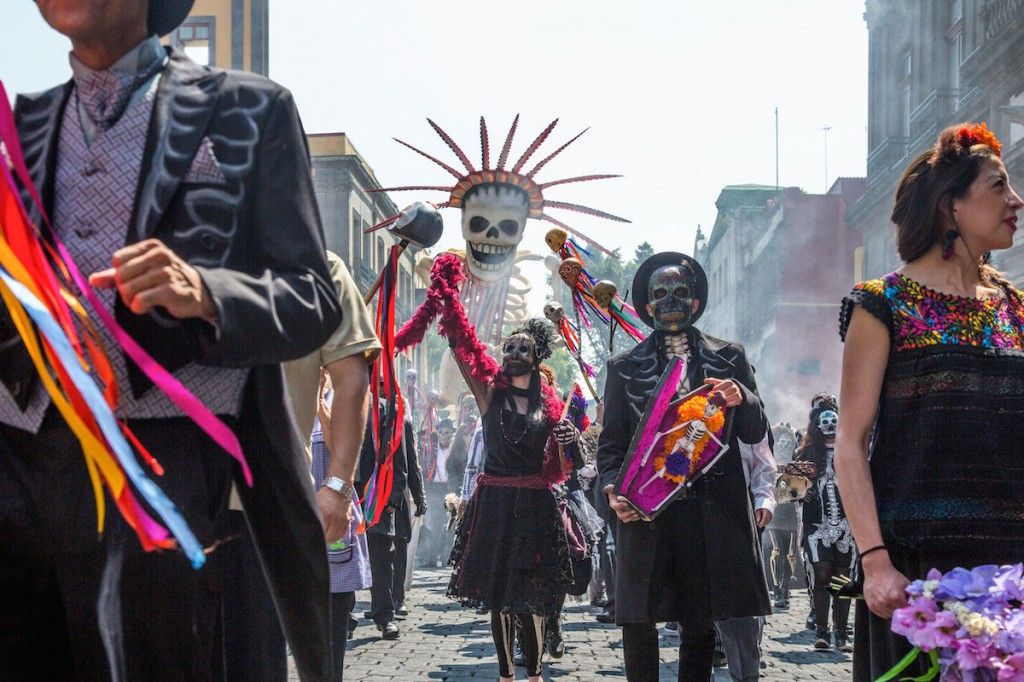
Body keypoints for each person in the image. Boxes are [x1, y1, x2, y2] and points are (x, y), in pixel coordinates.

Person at [0, 2, 341, 679]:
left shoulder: (250, 110)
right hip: (17, 459)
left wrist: (209, 293)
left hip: (166, 463)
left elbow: (313, 297)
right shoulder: (23, 124)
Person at [835, 123, 1024, 681]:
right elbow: (849, 442)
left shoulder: (1017, 307)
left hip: (1012, 567)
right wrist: (874, 561)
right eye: (999, 186)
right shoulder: (882, 304)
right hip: (918, 574)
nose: (1016, 201)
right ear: (951, 206)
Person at [597, 252, 770, 682]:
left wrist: (741, 397)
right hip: (647, 512)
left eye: (680, 293)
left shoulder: (730, 357)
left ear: (694, 302)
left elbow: (754, 431)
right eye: (661, 294)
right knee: (638, 623)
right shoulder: (623, 368)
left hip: (709, 514)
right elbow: (610, 448)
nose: (671, 301)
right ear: (648, 305)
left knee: (699, 622)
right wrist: (612, 491)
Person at [794, 393, 854, 652]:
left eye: (833, 421)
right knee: (821, 575)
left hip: (847, 524)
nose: (829, 428)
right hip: (816, 526)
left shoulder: (853, 448)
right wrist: (801, 492)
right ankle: (822, 631)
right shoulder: (805, 452)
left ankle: (841, 633)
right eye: (824, 422)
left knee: (843, 577)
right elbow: (791, 491)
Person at [715, 432, 777, 682]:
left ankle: (746, 673)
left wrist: (764, 500)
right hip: (694, 516)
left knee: (743, 606)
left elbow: (763, 463)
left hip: (742, 515)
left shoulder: (747, 409)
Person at [356, 393, 418, 640]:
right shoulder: (333, 403)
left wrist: (394, 495)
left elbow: (399, 456)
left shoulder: (385, 410)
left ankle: (384, 616)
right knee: (342, 554)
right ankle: (345, 617)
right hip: (346, 490)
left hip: (376, 494)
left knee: (381, 557)